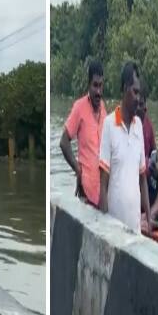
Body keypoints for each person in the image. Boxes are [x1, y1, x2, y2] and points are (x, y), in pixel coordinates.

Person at [99, 62, 156, 234]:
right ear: (125, 89)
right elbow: (103, 183)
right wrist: (105, 227)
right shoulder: (109, 124)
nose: (138, 98)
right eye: (135, 92)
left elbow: (143, 179)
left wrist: (149, 218)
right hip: (114, 231)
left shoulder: (139, 125)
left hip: (136, 229)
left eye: (140, 93)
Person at [60, 60, 107, 207]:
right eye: (95, 85)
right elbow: (63, 142)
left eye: (101, 86)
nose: (98, 91)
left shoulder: (104, 108)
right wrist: (77, 169)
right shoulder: (79, 107)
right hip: (86, 190)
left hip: (103, 191)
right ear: (88, 85)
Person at [136, 87, 158, 206]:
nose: (145, 108)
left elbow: (155, 153)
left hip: (146, 180)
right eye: (140, 104)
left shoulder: (147, 123)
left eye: (144, 103)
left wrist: (157, 167)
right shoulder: (120, 121)